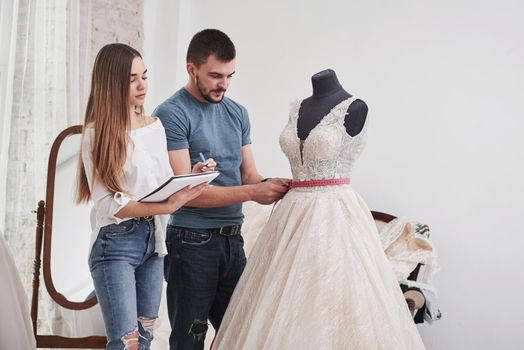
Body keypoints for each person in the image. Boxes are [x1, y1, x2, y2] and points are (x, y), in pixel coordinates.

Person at [212, 69, 426, 349]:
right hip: (291, 214)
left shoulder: (355, 108)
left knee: (328, 298)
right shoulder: (298, 108)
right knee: (280, 298)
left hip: (334, 214)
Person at [153, 29, 289, 349]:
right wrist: (252, 194)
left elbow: (249, 174)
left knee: (242, 335)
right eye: (215, 75)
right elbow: (184, 192)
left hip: (233, 243)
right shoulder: (171, 114)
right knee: (190, 341)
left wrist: (277, 186)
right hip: (191, 243)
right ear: (192, 69)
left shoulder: (238, 113)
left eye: (229, 75)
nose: (223, 84)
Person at [76, 43, 210, 350]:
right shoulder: (97, 135)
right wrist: (167, 205)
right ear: (112, 84)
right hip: (115, 244)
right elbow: (110, 205)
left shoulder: (155, 127)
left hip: (153, 240)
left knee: (145, 341)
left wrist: (193, 174)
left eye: (145, 76)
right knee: (126, 344)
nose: (142, 85)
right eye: (132, 79)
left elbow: (165, 183)